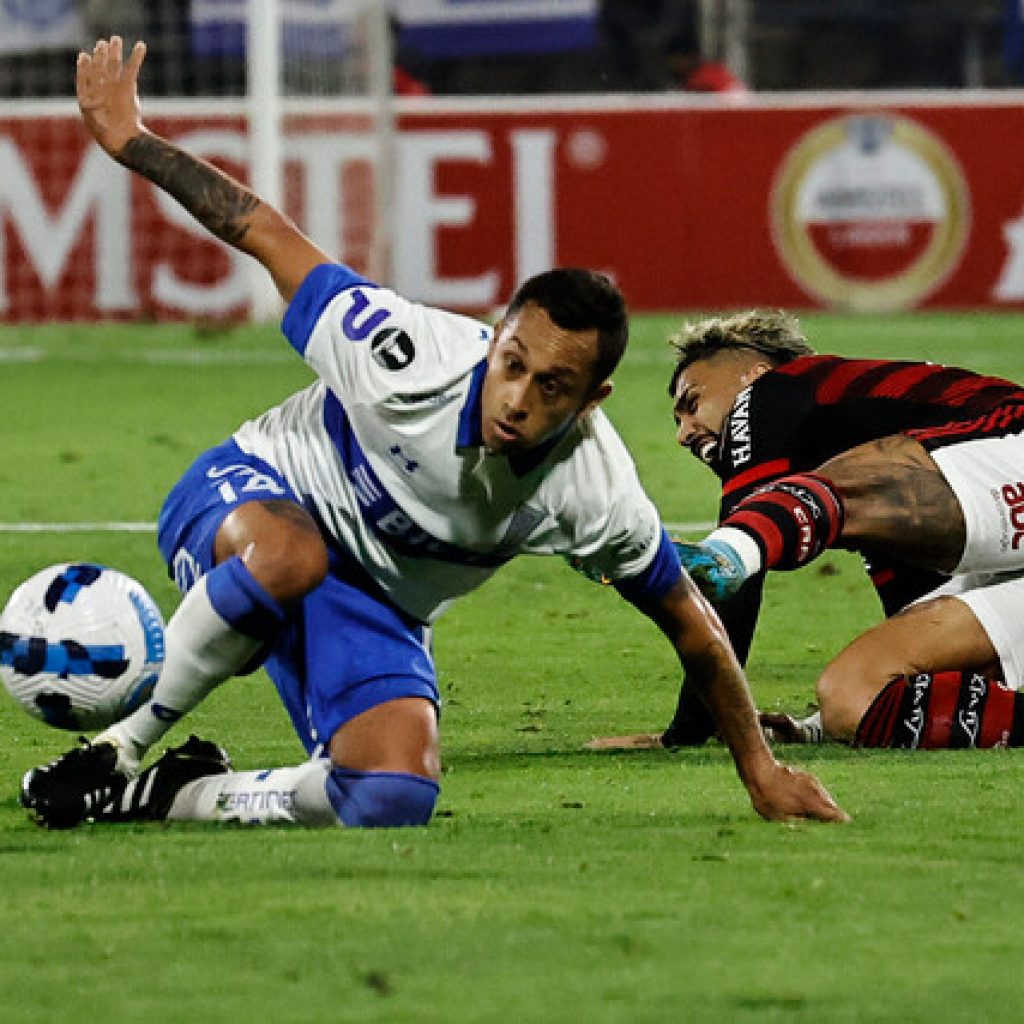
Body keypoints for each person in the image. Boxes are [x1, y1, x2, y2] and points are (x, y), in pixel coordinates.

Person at [19, 38, 847, 831]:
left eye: (551, 386)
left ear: (592, 401)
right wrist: (133, 142)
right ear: (495, 337)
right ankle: (120, 749)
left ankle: (170, 797)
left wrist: (759, 769)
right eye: (512, 362)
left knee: (389, 796)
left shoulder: (594, 490)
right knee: (290, 558)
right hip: (250, 497)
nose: (516, 398)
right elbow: (259, 228)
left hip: (373, 597)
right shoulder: (401, 351)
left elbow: (693, 624)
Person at [591, 309, 1024, 753]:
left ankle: (728, 551)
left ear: (753, 374)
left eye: (692, 401)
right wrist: (815, 728)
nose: (683, 434)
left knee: (770, 528)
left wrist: (687, 735)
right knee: (854, 693)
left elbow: (737, 590)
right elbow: (933, 638)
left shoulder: (772, 392)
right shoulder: (888, 510)